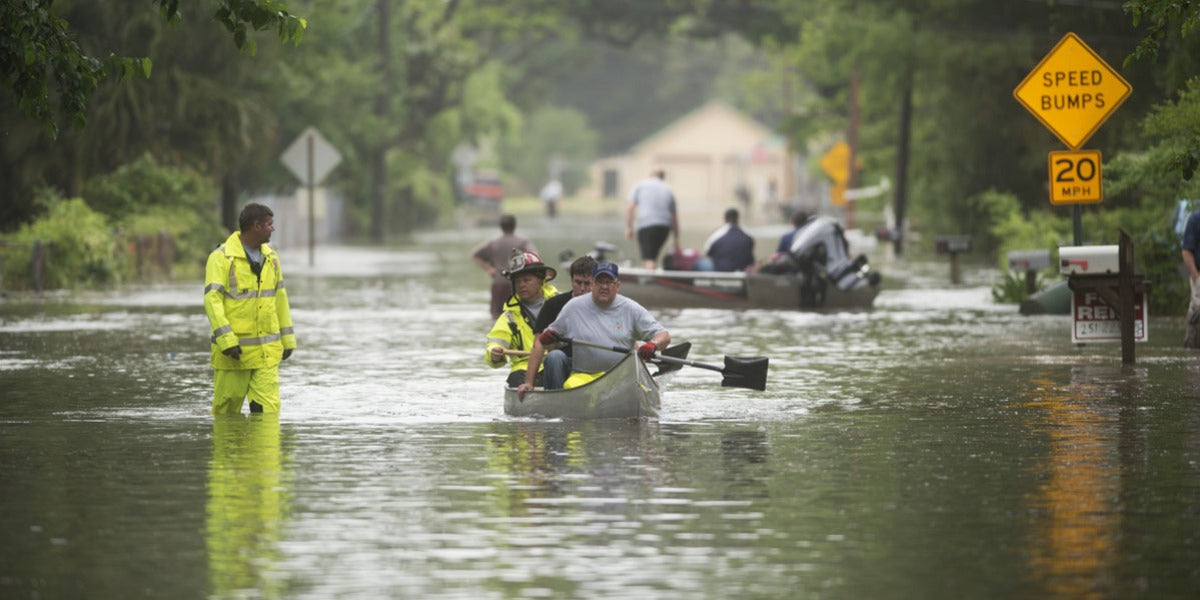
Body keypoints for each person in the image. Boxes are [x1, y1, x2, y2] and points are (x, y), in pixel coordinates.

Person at [517, 261, 670, 398]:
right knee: (567, 382)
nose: (604, 286)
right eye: (600, 281)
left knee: (637, 389)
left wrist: (653, 345)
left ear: (617, 286)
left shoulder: (631, 308)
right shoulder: (573, 307)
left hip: (622, 377)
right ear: (593, 284)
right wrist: (529, 382)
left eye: (609, 282)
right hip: (584, 376)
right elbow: (543, 343)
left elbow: (663, 335)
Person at [203, 203, 296, 415]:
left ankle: (264, 450)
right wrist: (227, 341)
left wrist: (288, 339)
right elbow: (212, 301)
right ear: (256, 226)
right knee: (226, 413)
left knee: (268, 414)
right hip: (234, 355)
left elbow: (280, 298)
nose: (273, 229)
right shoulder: (221, 258)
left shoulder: (271, 257)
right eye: (269, 225)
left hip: (267, 355)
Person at [484, 251, 571, 389]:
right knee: (515, 378)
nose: (521, 285)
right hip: (523, 370)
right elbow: (494, 343)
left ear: (541, 280)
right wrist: (494, 353)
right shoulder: (509, 316)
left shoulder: (562, 304)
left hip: (559, 363)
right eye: (517, 281)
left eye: (526, 280)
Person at [471, 214, 537, 318]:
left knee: (496, 316)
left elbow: (474, 255)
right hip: (516, 284)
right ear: (515, 225)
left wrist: (489, 268)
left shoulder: (493, 242)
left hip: (498, 283)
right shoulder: (522, 242)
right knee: (517, 315)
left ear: (501, 226)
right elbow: (535, 255)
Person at [625, 169, 680, 269]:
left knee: (648, 258)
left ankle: (649, 280)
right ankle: (651, 274)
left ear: (651, 175)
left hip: (646, 224)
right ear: (663, 177)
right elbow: (674, 216)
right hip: (664, 227)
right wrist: (676, 237)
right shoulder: (668, 188)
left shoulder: (640, 185)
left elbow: (630, 208)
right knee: (653, 256)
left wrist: (629, 227)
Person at [533, 255, 596, 333]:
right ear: (571, 281)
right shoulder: (553, 306)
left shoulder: (605, 307)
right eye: (578, 282)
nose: (582, 288)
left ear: (596, 283)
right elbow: (537, 342)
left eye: (587, 283)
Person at [697, 208, 755, 272]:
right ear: (738, 218)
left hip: (720, 268)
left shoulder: (718, 233)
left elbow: (707, 251)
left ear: (724, 219)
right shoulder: (747, 234)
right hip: (741, 268)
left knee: (699, 263)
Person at [1182, 208, 1200, 347]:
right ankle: (1191, 354)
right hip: (1199, 274)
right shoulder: (1195, 219)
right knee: (1195, 313)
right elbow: (1187, 251)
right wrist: (1196, 277)